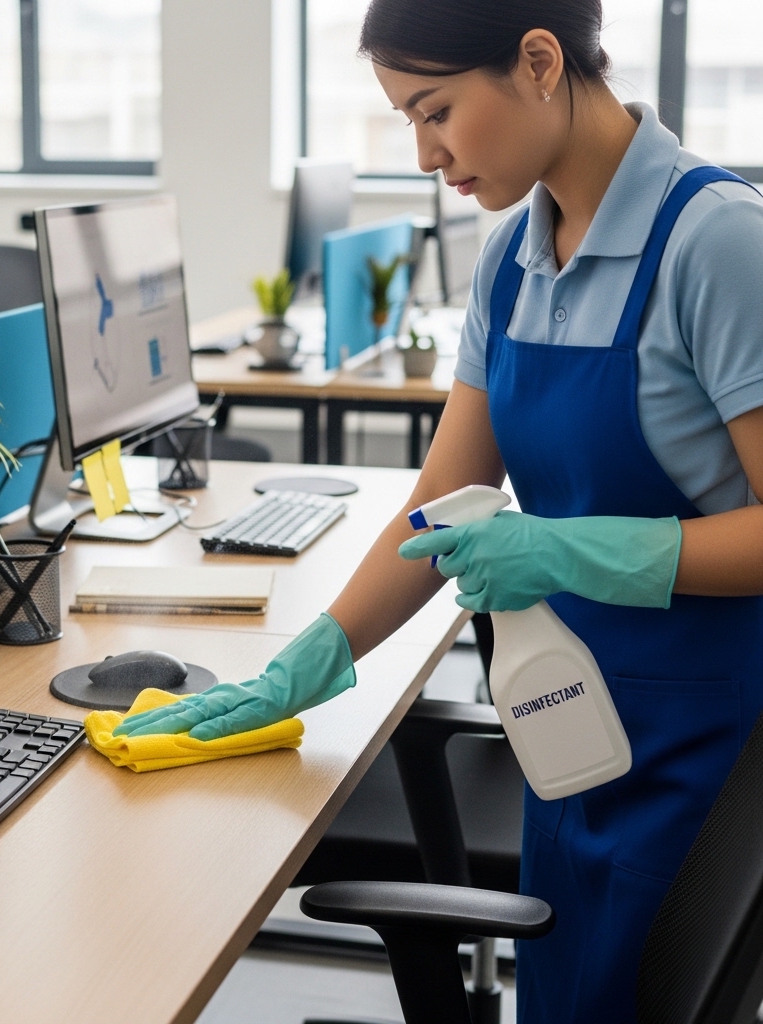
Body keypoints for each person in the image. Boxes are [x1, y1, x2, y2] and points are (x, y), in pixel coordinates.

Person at [117, 1, 763, 1019]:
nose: (425, 155)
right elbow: (436, 509)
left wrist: (570, 550)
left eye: (437, 111)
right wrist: (309, 661)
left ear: (539, 62)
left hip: (698, 756)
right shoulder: (510, 260)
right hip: (566, 732)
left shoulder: (717, 243)